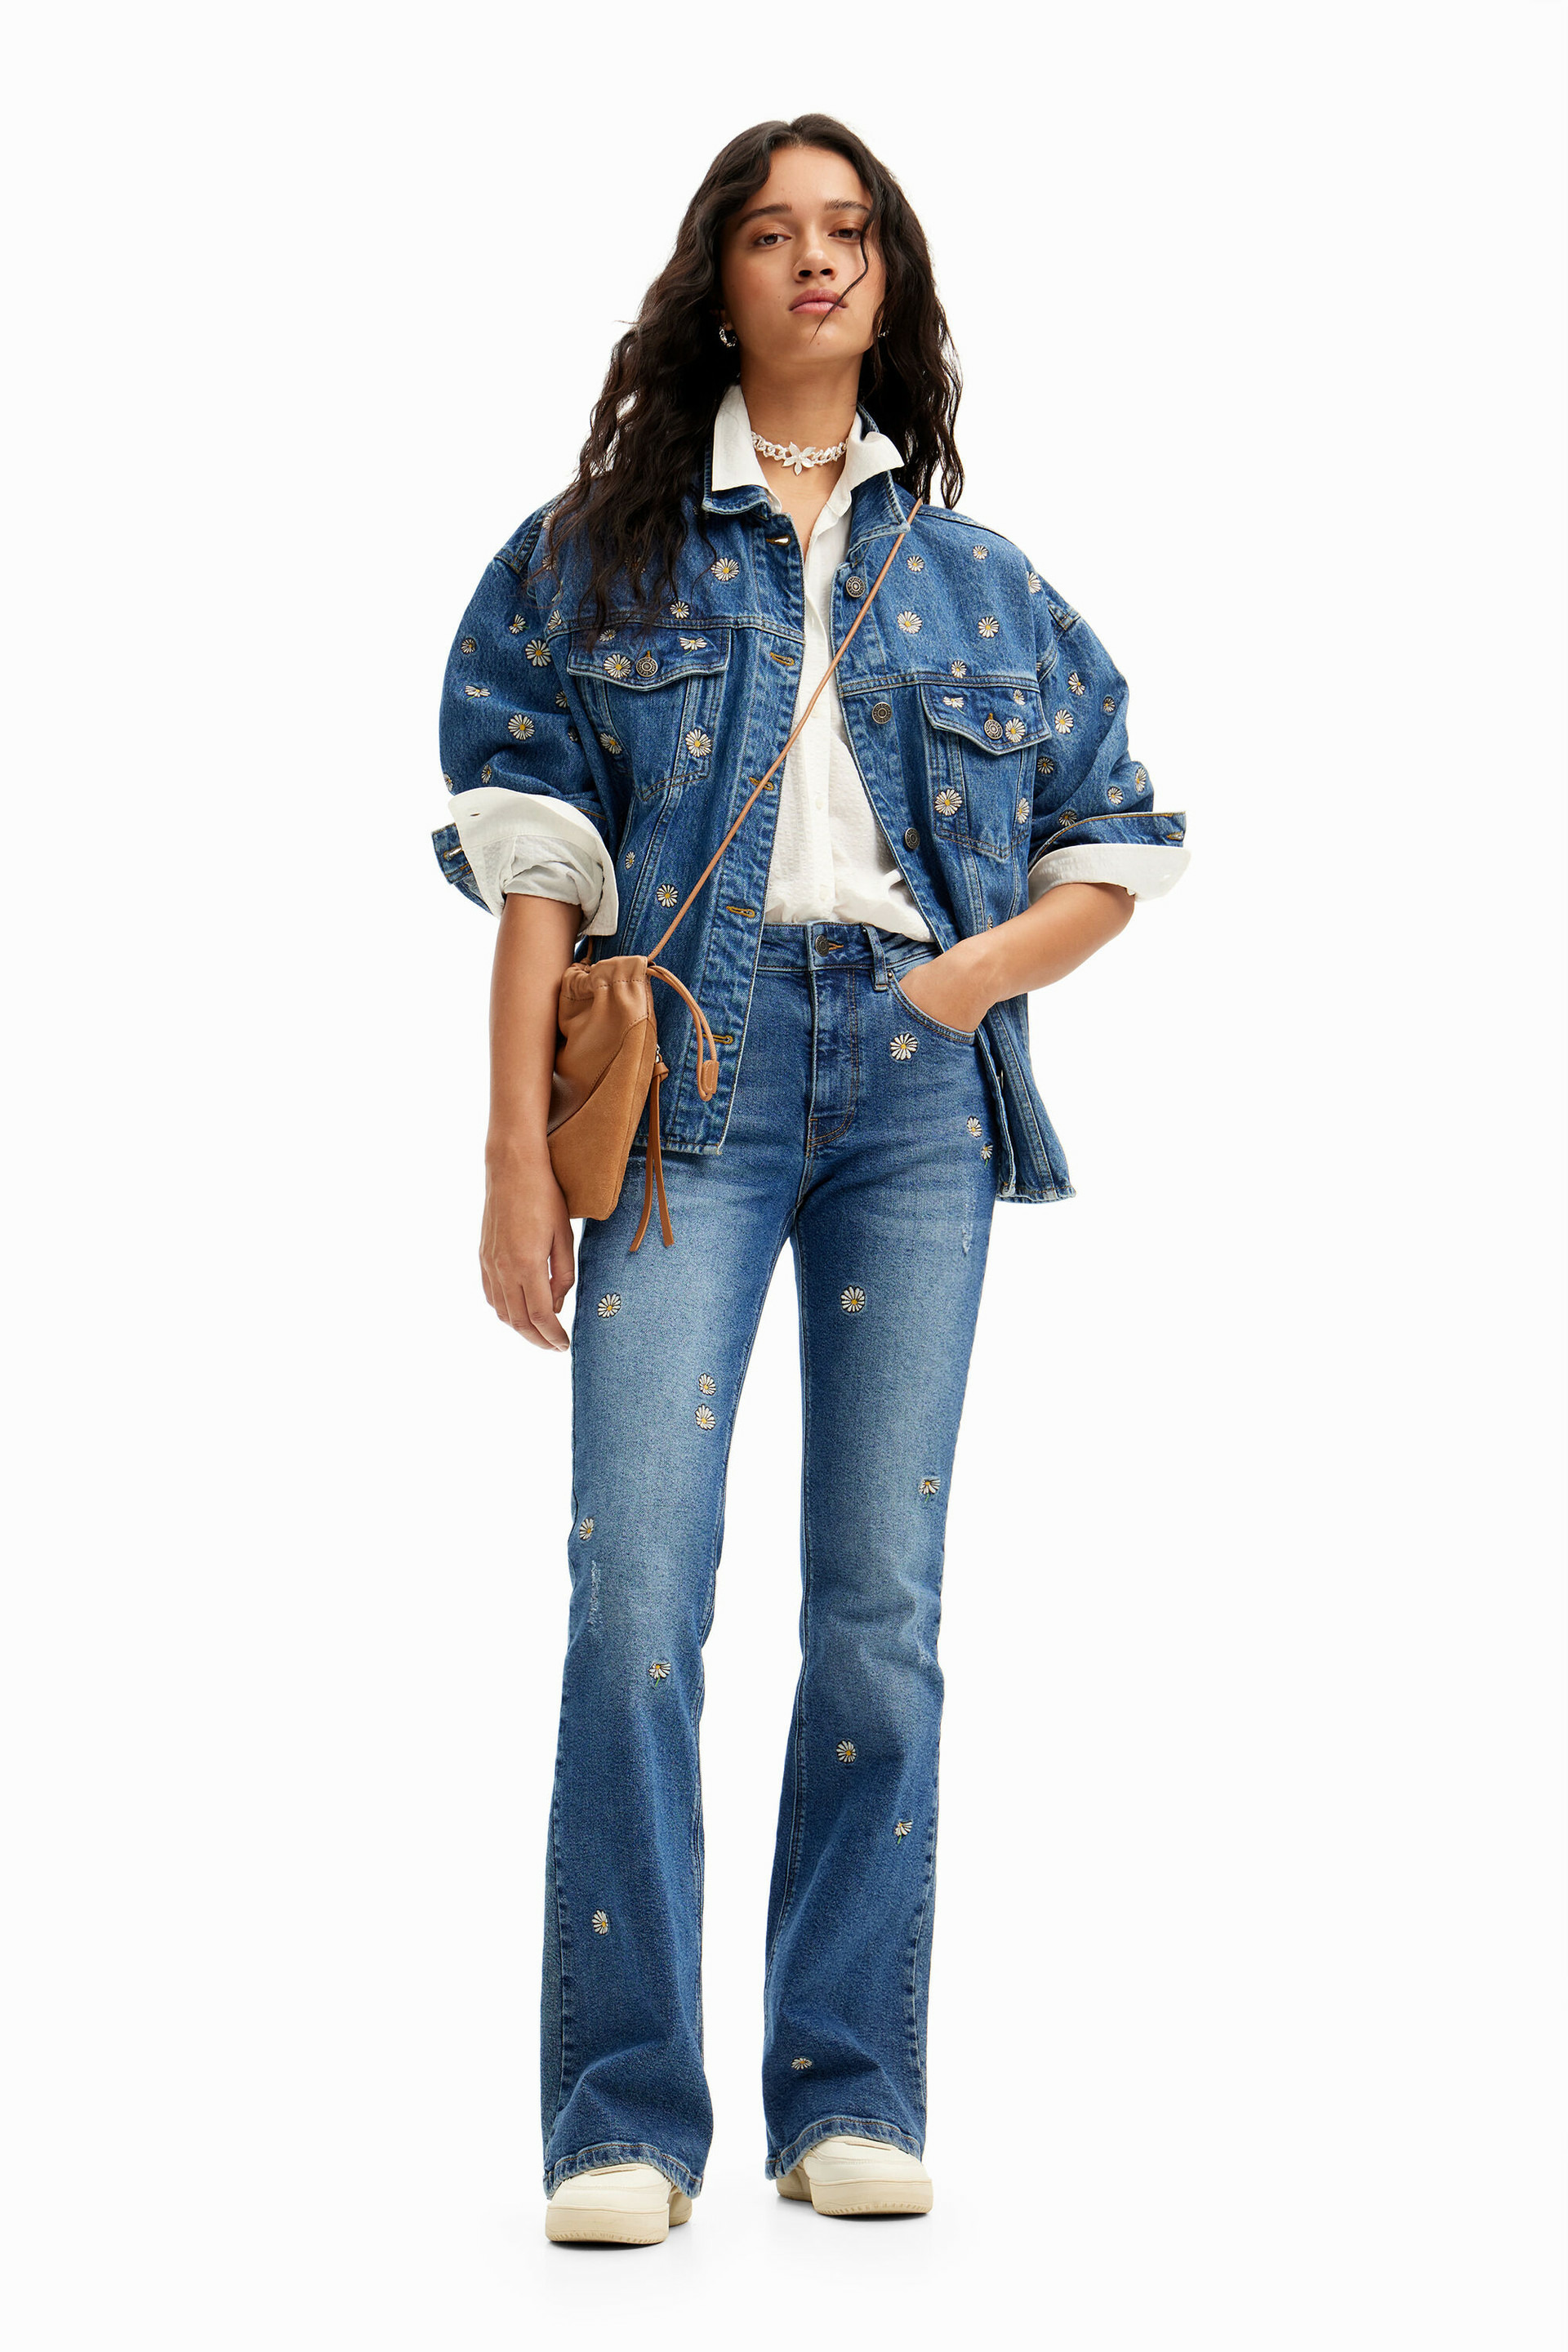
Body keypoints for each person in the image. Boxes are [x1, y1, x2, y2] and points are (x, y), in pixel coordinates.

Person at [432, 114, 1188, 2247]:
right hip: (687, 1079)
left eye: (849, 230)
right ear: (722, 278)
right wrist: (510, 1156)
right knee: (639, 1601)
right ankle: (621, 2115)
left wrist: (965, 983)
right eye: (773, 232)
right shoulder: (593, 560)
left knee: (878, 1613)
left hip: (918, 1100)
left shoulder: (981, 579)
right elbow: (536, 864)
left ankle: (847, 2085)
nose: (816, 260)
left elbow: (1121, 834)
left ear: (892, 279)